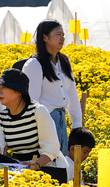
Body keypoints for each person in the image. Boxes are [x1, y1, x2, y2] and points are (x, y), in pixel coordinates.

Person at [0, 69, 69, 183]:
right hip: (20, 166)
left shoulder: (37, 111)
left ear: (19, 92)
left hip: (47, 166)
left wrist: (36, 164)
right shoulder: (1, 117)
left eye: (4, 88)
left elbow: (51, 148)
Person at [21, 20, 82, 156]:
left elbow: (72, 94)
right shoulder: (34, 64)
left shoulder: (65, 61)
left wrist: (77, 124)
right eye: (58, 34)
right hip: (44, 122)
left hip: (61, 121)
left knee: (61, 162)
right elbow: (32, 102)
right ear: (44, 37)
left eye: (63, 34)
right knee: (49, 161)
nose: (62, 38)